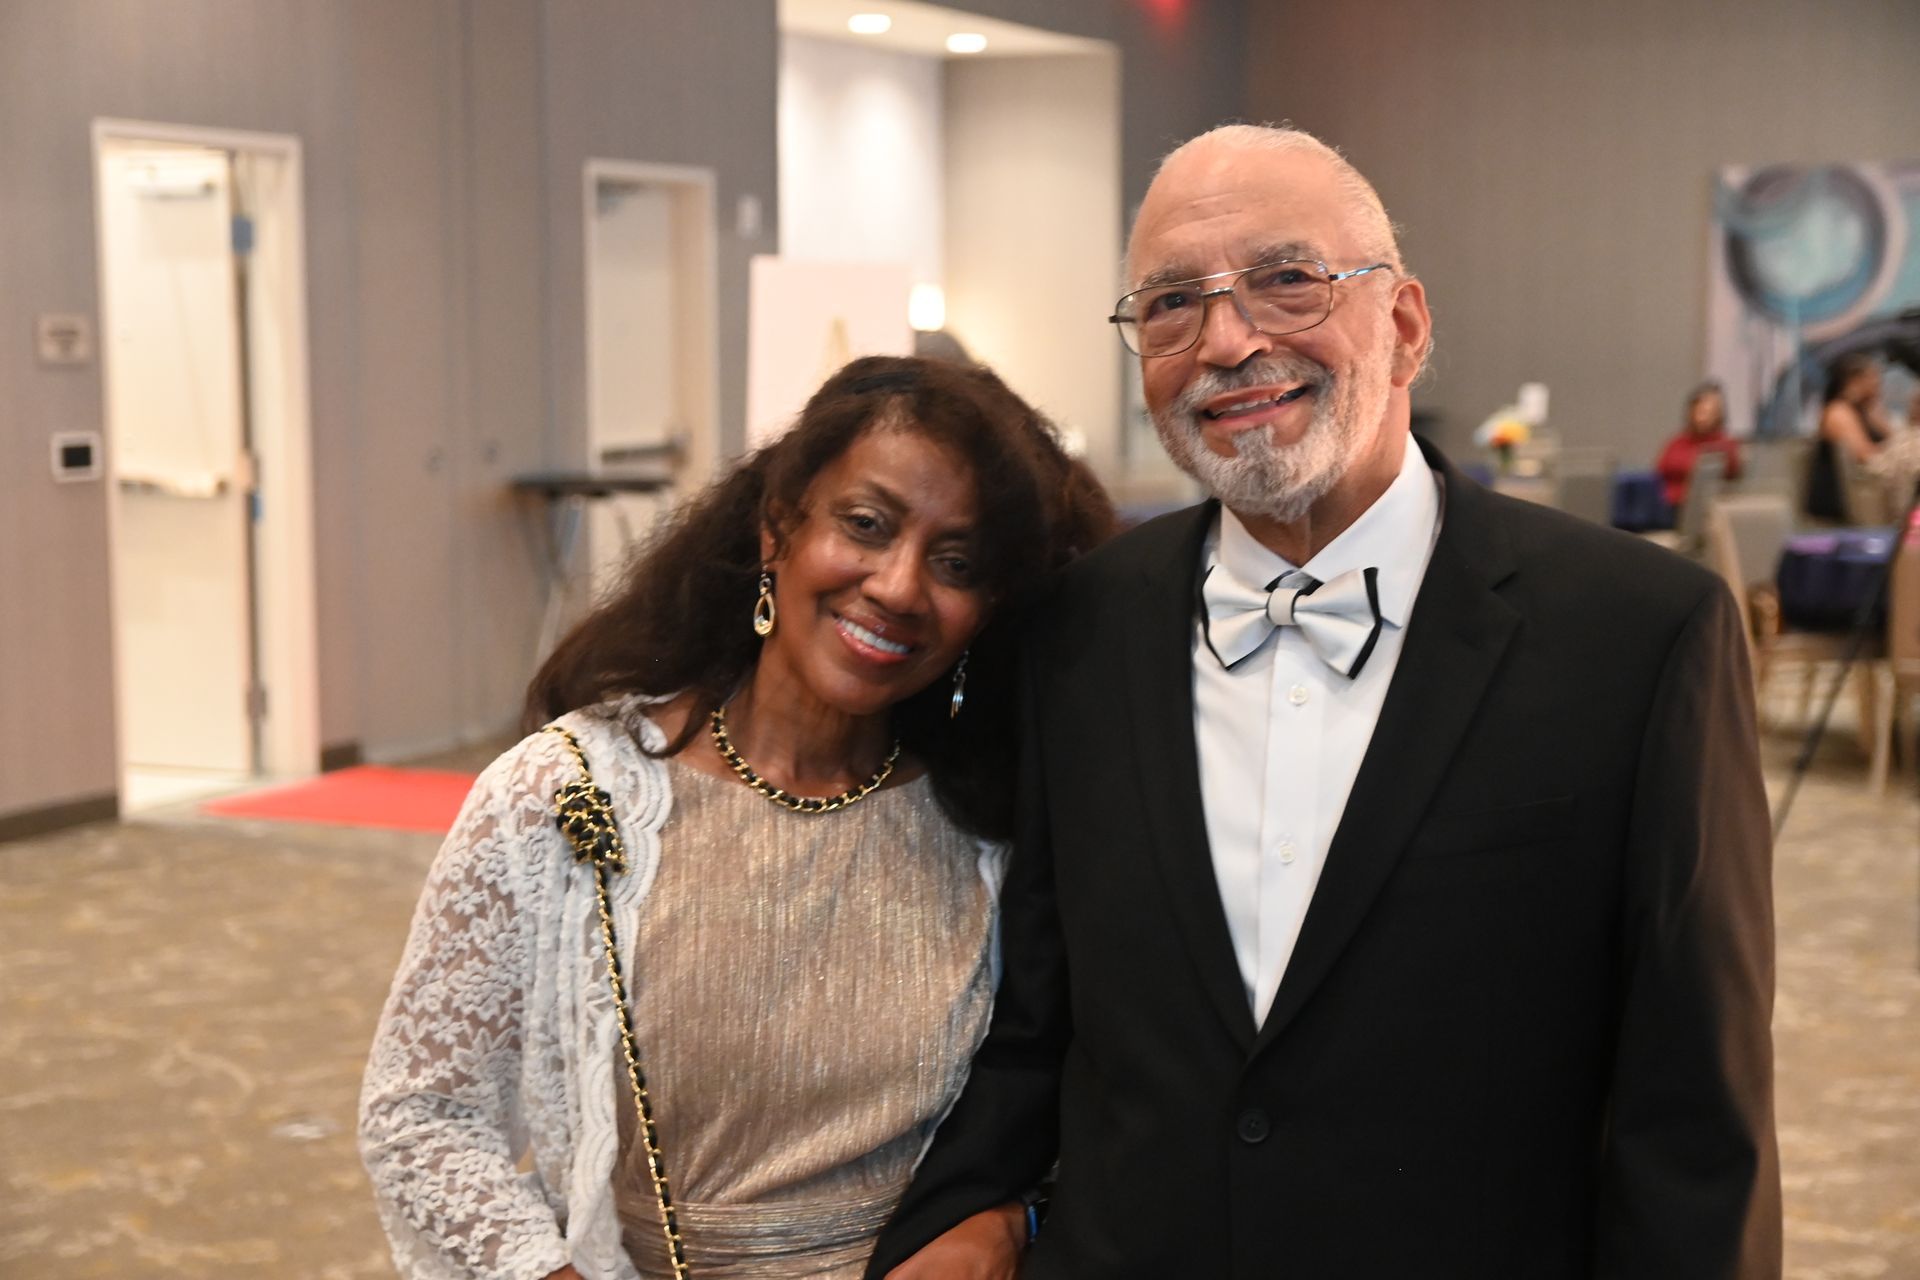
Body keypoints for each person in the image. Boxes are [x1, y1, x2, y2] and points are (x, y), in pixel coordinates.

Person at [869, 124, 1779, 1279]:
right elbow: (1041, 1018)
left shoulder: (1638, 635)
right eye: (1172, 304)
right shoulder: (1076, 630)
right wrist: (963, 1212)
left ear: (1405, 324)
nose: (1227, 341)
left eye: (1287, 279)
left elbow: (1695, 1117)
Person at [359, 354, 1114, 1280]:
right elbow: (423, 1116)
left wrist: (1009, 1221)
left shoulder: (996, 831)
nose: (899, 586)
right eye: (867, 525)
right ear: (778, 526)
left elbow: (1093, 1103)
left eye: (956, 563)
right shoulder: (566, 793)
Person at [1806, 353, 1891, 521]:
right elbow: (1865, 455)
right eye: (1873, 378)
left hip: (1867, 488)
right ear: (1854, 381)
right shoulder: (1838, 412)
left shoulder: (1867, 411)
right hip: (1844, 497)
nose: (1878, 384)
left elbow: (1893, 438)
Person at [1655, 380, 1742, 508]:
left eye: (1710, 412)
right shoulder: (1678, 441)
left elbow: (1722, 468)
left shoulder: (1724, 444)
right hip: (1666, 503)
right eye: (1701, 411)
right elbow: (1660, 469)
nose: (1703, 418)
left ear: (1718, 414)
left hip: (1701, 506)